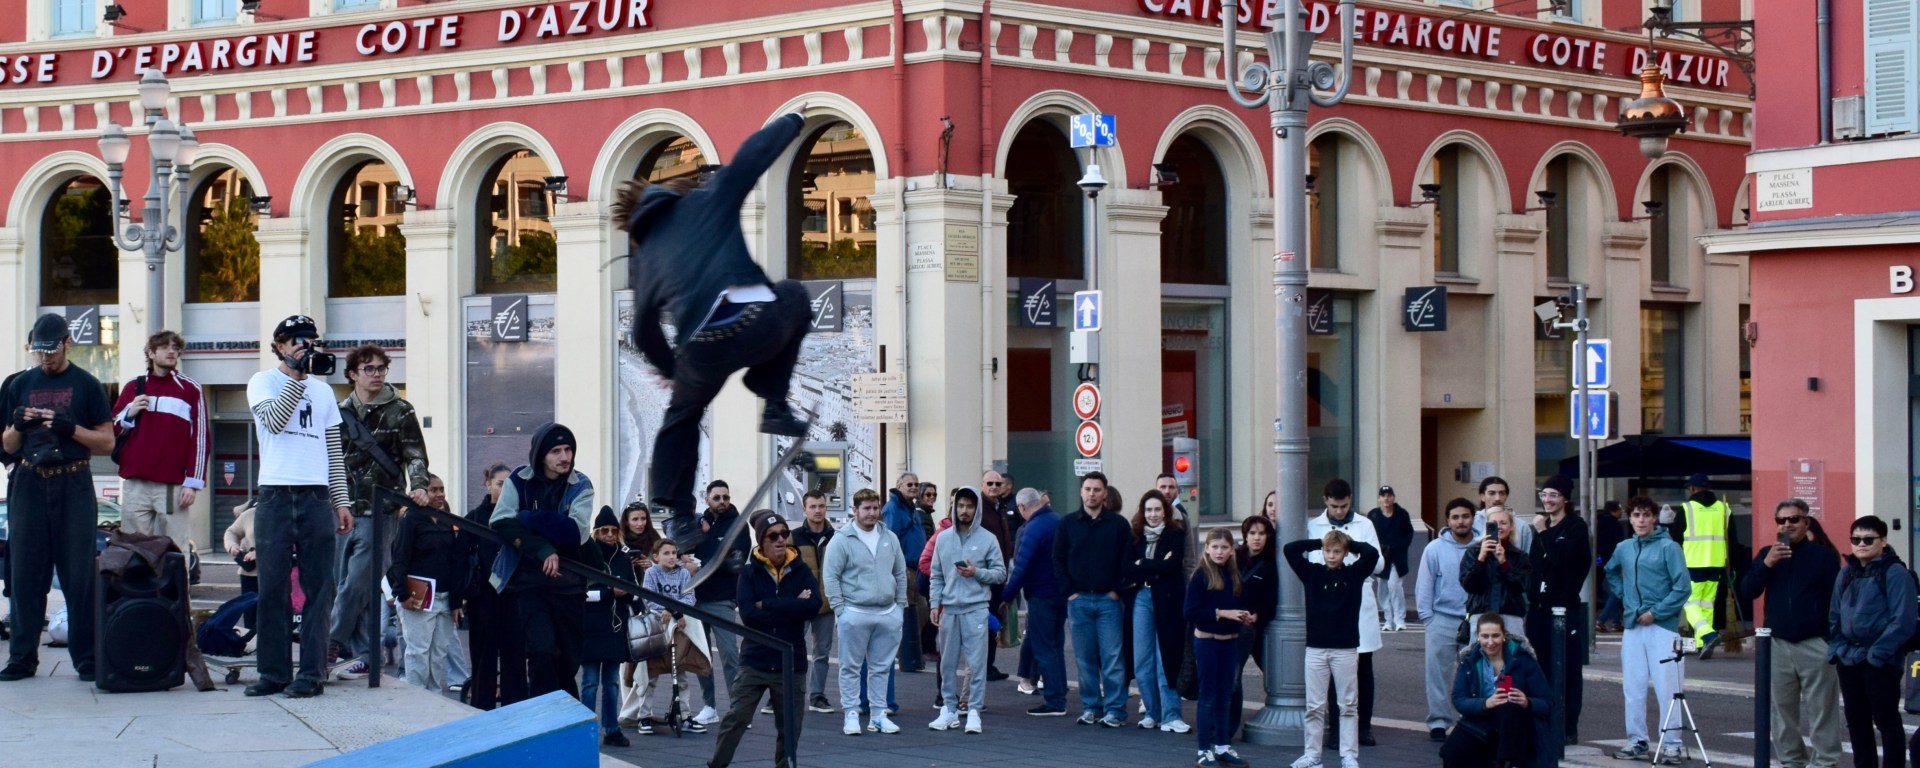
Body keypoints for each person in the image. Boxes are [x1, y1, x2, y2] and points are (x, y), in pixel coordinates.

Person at [619, 109, 814, 559]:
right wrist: (791, 122)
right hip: (755, 320)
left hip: (701, 348)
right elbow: (751, 157)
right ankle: (775, 402)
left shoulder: (644, 259)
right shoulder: (707, 199)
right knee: (793, 294)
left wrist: (674, 372)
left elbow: (643, 331)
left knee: (681, 417)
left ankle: (678, 514)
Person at [237, 315, 352, 697]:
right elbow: (273, 421)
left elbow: (333, 451)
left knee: (319, 589)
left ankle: (312, 675)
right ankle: (273, 673)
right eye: (297, 341)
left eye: (310, 341)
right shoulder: (262, 381)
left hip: (316, 496)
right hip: (274, 495)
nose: (305, 347)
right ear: (280, 346)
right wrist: (296, 377)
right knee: (272, 588)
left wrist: (341, 501)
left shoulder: (323, 392)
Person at [0, 313, 113, 683]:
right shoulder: (18, 384)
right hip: (29, 481)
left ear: (67, 343)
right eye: (39, 352)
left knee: (79, 576)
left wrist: (71, 428)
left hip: (73, 481)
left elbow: (107, 442)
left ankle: (86, 659)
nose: (45, 358)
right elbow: (7, 445)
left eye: (51, 351)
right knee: (25, 575)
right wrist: (19, 424)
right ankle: (21, 659)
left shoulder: (87, 384)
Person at [330, 343, 430, 681]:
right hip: (342, 508)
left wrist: (419, 485)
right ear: (352, 374)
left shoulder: (400, 410)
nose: (376, 375)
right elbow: (330, 459)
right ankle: (366, 656)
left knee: (358, 580)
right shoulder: (339, 412)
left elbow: (415, 454)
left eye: (381, 369)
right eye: (369, 369)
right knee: (354, 585)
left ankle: (331, 640)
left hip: (381, 509)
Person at [707, 510, 821, 768]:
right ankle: (717, 765)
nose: (781, 539)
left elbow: (813, 606)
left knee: (790, 728)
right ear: (761, 540)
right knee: (736, 718)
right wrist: (793, 605)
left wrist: (767, 604)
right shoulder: (749, 573)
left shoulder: (800, 569)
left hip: (791, 662)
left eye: (784, 534)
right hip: (755, 659)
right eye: (773, 536)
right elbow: (749, 616)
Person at [488, 423, 594, 700]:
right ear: (541, 455)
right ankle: (543, 714)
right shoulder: (518, 479)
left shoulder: (581, 484)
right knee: (541, 651)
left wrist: (527, 517)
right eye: (556, 451)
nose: (564, 457)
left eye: (568, 449)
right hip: (529, 583)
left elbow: (576, 533)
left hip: (569, 586)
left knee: (567, 661)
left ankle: (566, 714)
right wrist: (543, 548)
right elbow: (500, 521)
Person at [1738, 499, 1843, 768]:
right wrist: (1767, 564)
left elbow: (1836, 600)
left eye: (1794, 519)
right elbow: (1747, 590)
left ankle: (1825, 763)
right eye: (1781, 520)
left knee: (1822, 709)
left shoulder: (1823, 556)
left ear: (1806, 522)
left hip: (1815, 642)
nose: (1787, 525)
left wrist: (1830, 640)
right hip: (1778, 644)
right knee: (1781, 711)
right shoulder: (1767, 554)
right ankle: (1792, 761)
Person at [1603, 496, 1692, 762]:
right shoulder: (1624, 548)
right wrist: (1626, 598)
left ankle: (1672, 744)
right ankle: (1637, 740)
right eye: (1636, 515)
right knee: (1633, 687)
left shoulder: (1669, 547)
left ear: (1654, 518)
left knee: (1668, 688)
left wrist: (1657, 612)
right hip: (1633, 626)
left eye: (1646, 515)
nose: (1641, 520)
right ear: (1630, 518)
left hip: (1662, 627)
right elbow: (1610, 571)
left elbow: (1682, 587)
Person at [1283, 528, 1380, 768]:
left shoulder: (1354, 574)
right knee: (1314, 706)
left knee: (1348, 705)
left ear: (1345, 553)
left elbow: (1371, 553)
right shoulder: (1312, 573)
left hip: (1345, 649)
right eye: (1328, 551)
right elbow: (1290, 549)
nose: (1332, 556)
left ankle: (1348, 755)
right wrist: (1320, 541)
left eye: (1337, 551)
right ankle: (1312, 756)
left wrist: (1348, 542)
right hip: (1316, 648)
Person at [110, 329, 210, 557]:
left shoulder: (190, 389)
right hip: (135, 484)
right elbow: (111, 430)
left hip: (172, 486)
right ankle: (137, 584)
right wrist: (130, 412)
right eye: (164, 347)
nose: (171, 352)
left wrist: (193, 483)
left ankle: (180, 584)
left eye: (175, 348)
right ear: (151, 353)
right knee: (132, 550)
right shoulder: (133, 387)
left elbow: (201, 438)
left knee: (176, 551)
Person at [1829, 514, 1916, 768]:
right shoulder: (1846, 573)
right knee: (1856, 722)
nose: (1861, 544)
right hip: (1848, 658)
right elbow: (1834, 615)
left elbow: (1903, 620)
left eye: (1868, 539)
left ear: (1883, 541)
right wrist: (1838, 649)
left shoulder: (1896, 573)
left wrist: (1876, 655)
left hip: (1881, 660)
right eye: (1856, 539)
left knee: (1886, 721)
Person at [821, 487, 907, 736]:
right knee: (850, 667)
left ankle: (879, 715)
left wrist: (899, 607)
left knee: (882, 667)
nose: (872, 513)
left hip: (887, 613)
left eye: (875, 508)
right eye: (866, 508)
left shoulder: (889, 537)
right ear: (855, 510)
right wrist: (841, 610)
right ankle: (851, 713)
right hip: (854, 611)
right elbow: (831, 576)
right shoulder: (841, 539)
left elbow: (900, 573)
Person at [1306, 478, 1383, 746]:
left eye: (1345, 506)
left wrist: (1350, 548)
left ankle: (1364, 727)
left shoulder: (1365, 524)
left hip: (1358, 598)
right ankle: (1337, 728)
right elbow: (1309, 559)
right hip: (1328, 602)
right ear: (1325, 501)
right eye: (1335, 506)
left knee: (1363, 669)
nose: (1340, 511)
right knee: (1331, 670)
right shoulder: (1314, 526)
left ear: (1351, 500)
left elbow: (1379, 563)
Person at [1053, 471, 1133, 727]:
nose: (1092, 494)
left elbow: (1127, 560)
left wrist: (1117, 590)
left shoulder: (1118, 525)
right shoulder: (1067, 524)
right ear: (1081, 491)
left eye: (1097, 490)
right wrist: (1069, 591)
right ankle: (1091, 707)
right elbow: (1058, 559)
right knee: (1084, 658)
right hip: (1078, 601)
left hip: (1109, 601)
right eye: (1088, 489)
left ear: (1104, 493)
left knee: (1112, 657)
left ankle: (1115, 710)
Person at [928, 486, 1007, 734]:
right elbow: (936, 575)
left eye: (970, 506)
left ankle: (973, 711)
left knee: (976, 663)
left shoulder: (988, 539)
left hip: (976, 608)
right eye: (960, 505)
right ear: (954, 507)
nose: (964, 510)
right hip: (949, 608)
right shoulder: (943, 538)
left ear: (977, 509)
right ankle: (949, 710)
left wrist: (977, 572)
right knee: (947, 664)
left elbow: (1000, 573)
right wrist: (934, 604)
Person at [386, 472, 467, 694]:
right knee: (418, 652)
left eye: (442, 489)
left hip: (444, 597)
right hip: (418, 597)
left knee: (438, 653)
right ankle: (417, 698)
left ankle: (434, 697)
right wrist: (402, 594)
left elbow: (455, 561)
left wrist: (456, 601)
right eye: (433, 490)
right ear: (422, 493)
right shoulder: (411, 519)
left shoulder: (446, 520)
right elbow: (400, 557)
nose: (440, 494)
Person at [1525, 474, 1590, 744]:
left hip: (1564, 610)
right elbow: (1534, 566)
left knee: (1567, 669)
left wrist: (1543, 532)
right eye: (1544, 495)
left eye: (1553, 495)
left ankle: (1567, 727)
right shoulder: (1543, 528)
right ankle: (1542, 723)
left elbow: (1561, 560)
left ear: (1565, 498)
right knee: (1539, 668)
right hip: (1538, 611)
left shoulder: (1575, 527)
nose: (1547, 500)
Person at [1440, 612, 1552, 768]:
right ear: (1478, 637)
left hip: (1517, 725)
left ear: (1504, 635)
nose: (1490, 642)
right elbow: (1459, 700)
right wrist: (1485, 703)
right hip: (1481, 720)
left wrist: (1527, 702)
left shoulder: (1523, 659)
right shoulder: (1469, 661)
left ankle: (1505, 762)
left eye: (1495, 636)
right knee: (1450, 751)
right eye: (1485, 636)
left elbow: (1547, 703)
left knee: (1508, 707)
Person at [1187, 529, 1255, 768]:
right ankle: (1203, 750)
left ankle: (1223, 746)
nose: (1219, 552)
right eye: (1214, 547)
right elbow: (1190, 612)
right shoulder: (1200, 575)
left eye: (1224, 547)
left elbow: (1240, 604)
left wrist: (1245, 616)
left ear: (1232, 550)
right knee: (1207, 695)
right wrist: (1223, 613)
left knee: (1225, 695)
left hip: (1230, 641)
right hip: (1207, 641)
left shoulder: (1234, 575)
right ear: (1206, 549)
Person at [1125, 489, 1190, 733]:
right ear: (1143, 512)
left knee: (1166, 658)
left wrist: (1144, 564)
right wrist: (1157, 567)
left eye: (1157, 510)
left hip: (1168, 600)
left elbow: (1173, 566)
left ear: (1165, 512)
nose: (1152, 514)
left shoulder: (1175, 533)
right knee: (1142, 659)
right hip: (1142, 597)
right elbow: (1128, 569)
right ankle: (1152, 712)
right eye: (1148, 510)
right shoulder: (1135, 536)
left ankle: (1171, 715)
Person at [1416, 498, 1480, 741]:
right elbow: (1425, 584)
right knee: (1438, 674)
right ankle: (1438, 722)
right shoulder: (1434, 549)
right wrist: (1428, 618)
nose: (1461, 521)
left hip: (1474, 618)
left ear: (1473, 518)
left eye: (1465, 516)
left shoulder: (1483, 546)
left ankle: (1471, 719)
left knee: (1473, 672)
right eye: (1455, 517)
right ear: (1447, 520)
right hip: (1441, 619)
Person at [634, 537, 711, 736]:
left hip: (679, 626)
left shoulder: (684, 573)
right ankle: (644, 716)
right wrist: (671, 610)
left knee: (681, 673)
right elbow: (649, 597)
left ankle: (684, 716)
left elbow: (689, 596)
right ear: (656, 557)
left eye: (674, 553)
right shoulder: (651, 573)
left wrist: (675, 612)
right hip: (657, 626)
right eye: (666, 553)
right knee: (651, 673)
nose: (671, 557)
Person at [464, 463, 526, 710]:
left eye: (510, 485)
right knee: (483, 659)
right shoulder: (474, 518)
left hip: (515, 597)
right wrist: (459, 598)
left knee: (515, 659)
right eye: (501, 484)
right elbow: (460, 559)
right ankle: (482, 711)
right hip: (483, 598)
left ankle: (515, 713)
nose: (505, 489)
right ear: (488, 484)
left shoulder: (519, 518)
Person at [688, 480, 748, 724]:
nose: (722, 501)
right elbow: (683, 553)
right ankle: (709, 706)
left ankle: (738, 709)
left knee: (731, 657)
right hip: (695, 600)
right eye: (717, 497)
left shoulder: (738, 525)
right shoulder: (698, 523)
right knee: (702, 658)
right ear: (707, 499)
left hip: (722, 600)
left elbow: (735, 562)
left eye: (726, 497)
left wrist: (701, 562)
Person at [1006, 487, 1066, 714]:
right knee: (1056, 647)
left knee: (1044, 649)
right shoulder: (1058, 521)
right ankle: (1059, 693)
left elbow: (1021, 567)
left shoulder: (1032, 528)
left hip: (1041, 595)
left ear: (1022, 507)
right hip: (1061, 594)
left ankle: (1054, 701)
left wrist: (1006, 597)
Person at [580, 507, 635, 746]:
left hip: (615, 627)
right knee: (590, 682)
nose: (610, 535)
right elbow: (581, 593)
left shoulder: (623, 558)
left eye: (613, 530)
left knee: (612, 683)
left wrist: (629, 595)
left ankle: (611, 729)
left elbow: (633, 589)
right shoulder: (586, 555)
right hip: (591, 626)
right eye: (605, 531)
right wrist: (610, 592)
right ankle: (586, 730)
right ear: (596, 532)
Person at [787, 490, 839, 714]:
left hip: (826, 603)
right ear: (804, 509)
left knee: (822, 653)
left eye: (821, 506)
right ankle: (784, 693)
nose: (818, 510)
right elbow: (784, 570)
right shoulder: (793, 537)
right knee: (791, 650)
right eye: (813, 506)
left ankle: (817, 696)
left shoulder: (837, 537)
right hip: (800, 604)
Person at [1229, 515, 1278, 741]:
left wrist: (1257, 615)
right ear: (1245, 536)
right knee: (1232, 675)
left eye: (1261, 533)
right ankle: (1228, 728)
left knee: (1273, 672)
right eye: (1252, 533)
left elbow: (1272, 599)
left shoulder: (1272, 563)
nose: (1257, 538)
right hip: (1232, 623)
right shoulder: (1234, 558)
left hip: (1256, 627)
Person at [1678, 473, 1732, 658]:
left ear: (1692, 488)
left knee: (1689, 602)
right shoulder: (1723, 508)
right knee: (1707, 604)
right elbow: (1732, 538)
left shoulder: (1687, 508)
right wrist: (1732, 568)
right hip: (1716, 563)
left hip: (1693, 563)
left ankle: (1708, 635)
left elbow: (1676, 538)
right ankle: (1702, 644)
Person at [1460, 506, 1529, 638]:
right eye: (1494, 524)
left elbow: (1522, 586)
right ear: (1487, 526)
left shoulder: (1520, 556)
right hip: (1481, 615)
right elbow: (1468, 585)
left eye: (1503, 523)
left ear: (1512, 526)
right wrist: (1481, 559)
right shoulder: (1473, 552)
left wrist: (1504, 562)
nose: (1499, 527)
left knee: (1514, 651)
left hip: (1510, 615)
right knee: (1480, 651)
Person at [883, 473, 928, 674]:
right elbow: (890, 539)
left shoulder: (912, 508)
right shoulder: (893, 508)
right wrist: (897, 568)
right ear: (899, 486)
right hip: (905, 569)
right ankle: (904, 653)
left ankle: (912, 652)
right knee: (906, 612)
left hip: (918, 569)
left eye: (916, 484)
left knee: (921, 610)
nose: (913, 487)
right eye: (909, 484)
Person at [978, 470, 1016, 681]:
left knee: (994, 620)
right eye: (990, 483)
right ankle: (982, 666)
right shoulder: (980, 508)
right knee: (986, 621)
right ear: (982, 485)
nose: (994, 487)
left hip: (999, 573)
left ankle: (988, 664)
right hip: (985, 575)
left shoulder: (999, 506)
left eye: (997, 484)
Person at [1367, 485, 1413, 632]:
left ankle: (1399, 619)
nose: (1386, 498)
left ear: (1393, 498)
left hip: (1397, 558)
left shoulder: (1402, 514)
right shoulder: (1373, 515)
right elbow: (1369, 534)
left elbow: (1408, 533)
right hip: (1381, 558)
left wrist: (1400, 546)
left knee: (1395, 586)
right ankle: (1388, 619)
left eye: (1389, 495)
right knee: (1383, 589)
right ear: (1379, 499)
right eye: (1383, 496)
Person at [224, 501, 259, 630]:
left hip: (276, 574)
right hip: (250, 574)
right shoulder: (250, 514)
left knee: (273, 616)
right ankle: (253, 641)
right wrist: (232, 546)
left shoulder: (284, 513)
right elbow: (231, 532)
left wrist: (261, 552)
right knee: (250, 617)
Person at [1594, 501, 1628, 632]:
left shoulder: (1597, 523)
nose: (1622, 511)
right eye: (1619, 509)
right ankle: (1602, 619)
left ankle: (1616, 621)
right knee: (1617, 590)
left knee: (1613, 590)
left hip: (1599, 560)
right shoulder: (1615, 525)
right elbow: (1619, 545)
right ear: (1613, 511)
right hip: (1613, 562)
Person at [1474, 476, 1532, 551]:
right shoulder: (1474, 523)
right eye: (1492, 493)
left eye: (1502, 493)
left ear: (1506, 496)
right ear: (1482, 497)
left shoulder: (1521, 526)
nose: (1498, 498)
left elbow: (1527, 555)